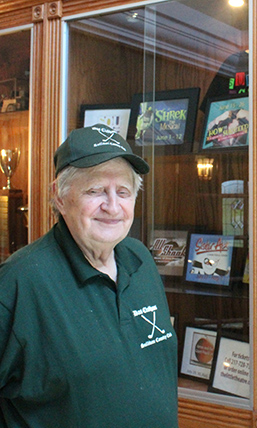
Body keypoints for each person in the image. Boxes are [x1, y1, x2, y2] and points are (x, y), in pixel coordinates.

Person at [0, 124, 178, 427]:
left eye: (123, 191)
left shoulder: (141, 260)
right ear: (59, 196)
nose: (112, 206)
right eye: (95, 191)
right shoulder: (20, 282)